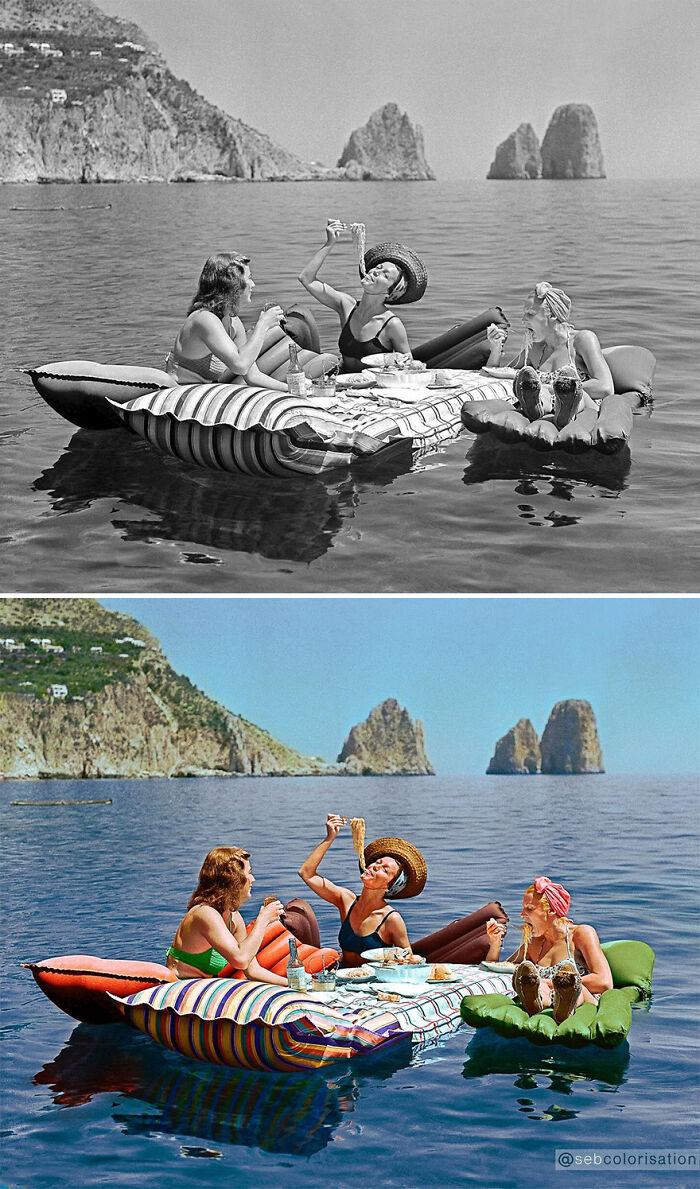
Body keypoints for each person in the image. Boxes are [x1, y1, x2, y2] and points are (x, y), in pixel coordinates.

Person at [298, 816, 427, 966]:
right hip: (342, 979)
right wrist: (330, 837)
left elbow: (408, 961)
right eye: (377, 862)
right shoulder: (346, 900)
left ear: (389, 886)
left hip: (374, 985)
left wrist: (399, 962)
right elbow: (306, 873)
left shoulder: (391, 919)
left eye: (385, 870)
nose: (375, 866)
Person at [298, 223, 428, 372]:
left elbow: (410, 368)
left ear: (390, 292)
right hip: (343, 384)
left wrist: (400, 364)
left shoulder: (392, 325)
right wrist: (330, 243)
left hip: (375, 389)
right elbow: (306, 279)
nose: (375, 272)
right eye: (378, 267)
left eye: (385, 275)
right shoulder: (346, 306)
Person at [485, 282, 614, 428]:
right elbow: (497, 373)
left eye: (530, 314)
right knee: (540, 395)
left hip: (583, 406)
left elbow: (605, 387)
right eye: (524, 313)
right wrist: (496, 347)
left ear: (552, 315)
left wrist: (549, 388)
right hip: (549, 408)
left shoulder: (581, 340)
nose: (523, 320)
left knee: (574, 394)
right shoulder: (535, 348)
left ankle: (562, 407)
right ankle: (537, 408)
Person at [484, 876, 613, 1023]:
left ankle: (563, 1005)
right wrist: (495, 942)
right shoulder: (534, 943)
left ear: (551, 910)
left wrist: (548, 983)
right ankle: (538, 1003)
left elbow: (604, 982)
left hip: (583, 999)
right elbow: (496, 969)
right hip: (549, 1000)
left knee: (573, 988)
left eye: (529, 909)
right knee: (539, 989)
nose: (521, 914)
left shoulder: (580, 934)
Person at [165, 252, 290, 391]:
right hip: (178, 394)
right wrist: (263, 325)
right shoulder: (204, 318)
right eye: (249, 278)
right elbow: (240, 365)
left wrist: (292, 389)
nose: (253, 284)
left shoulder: (233, 323)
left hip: (202, 392)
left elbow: (252, 376)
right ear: (233, 284)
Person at [166, 846, 288, 985]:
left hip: (202, 987)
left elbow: (252, 970)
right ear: (233, 879)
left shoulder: (234, 918)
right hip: (179, 990)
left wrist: (295, 984)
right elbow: (240, 960)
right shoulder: (204, 913)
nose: (253, 879)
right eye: (249, 873)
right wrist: (262, 920)